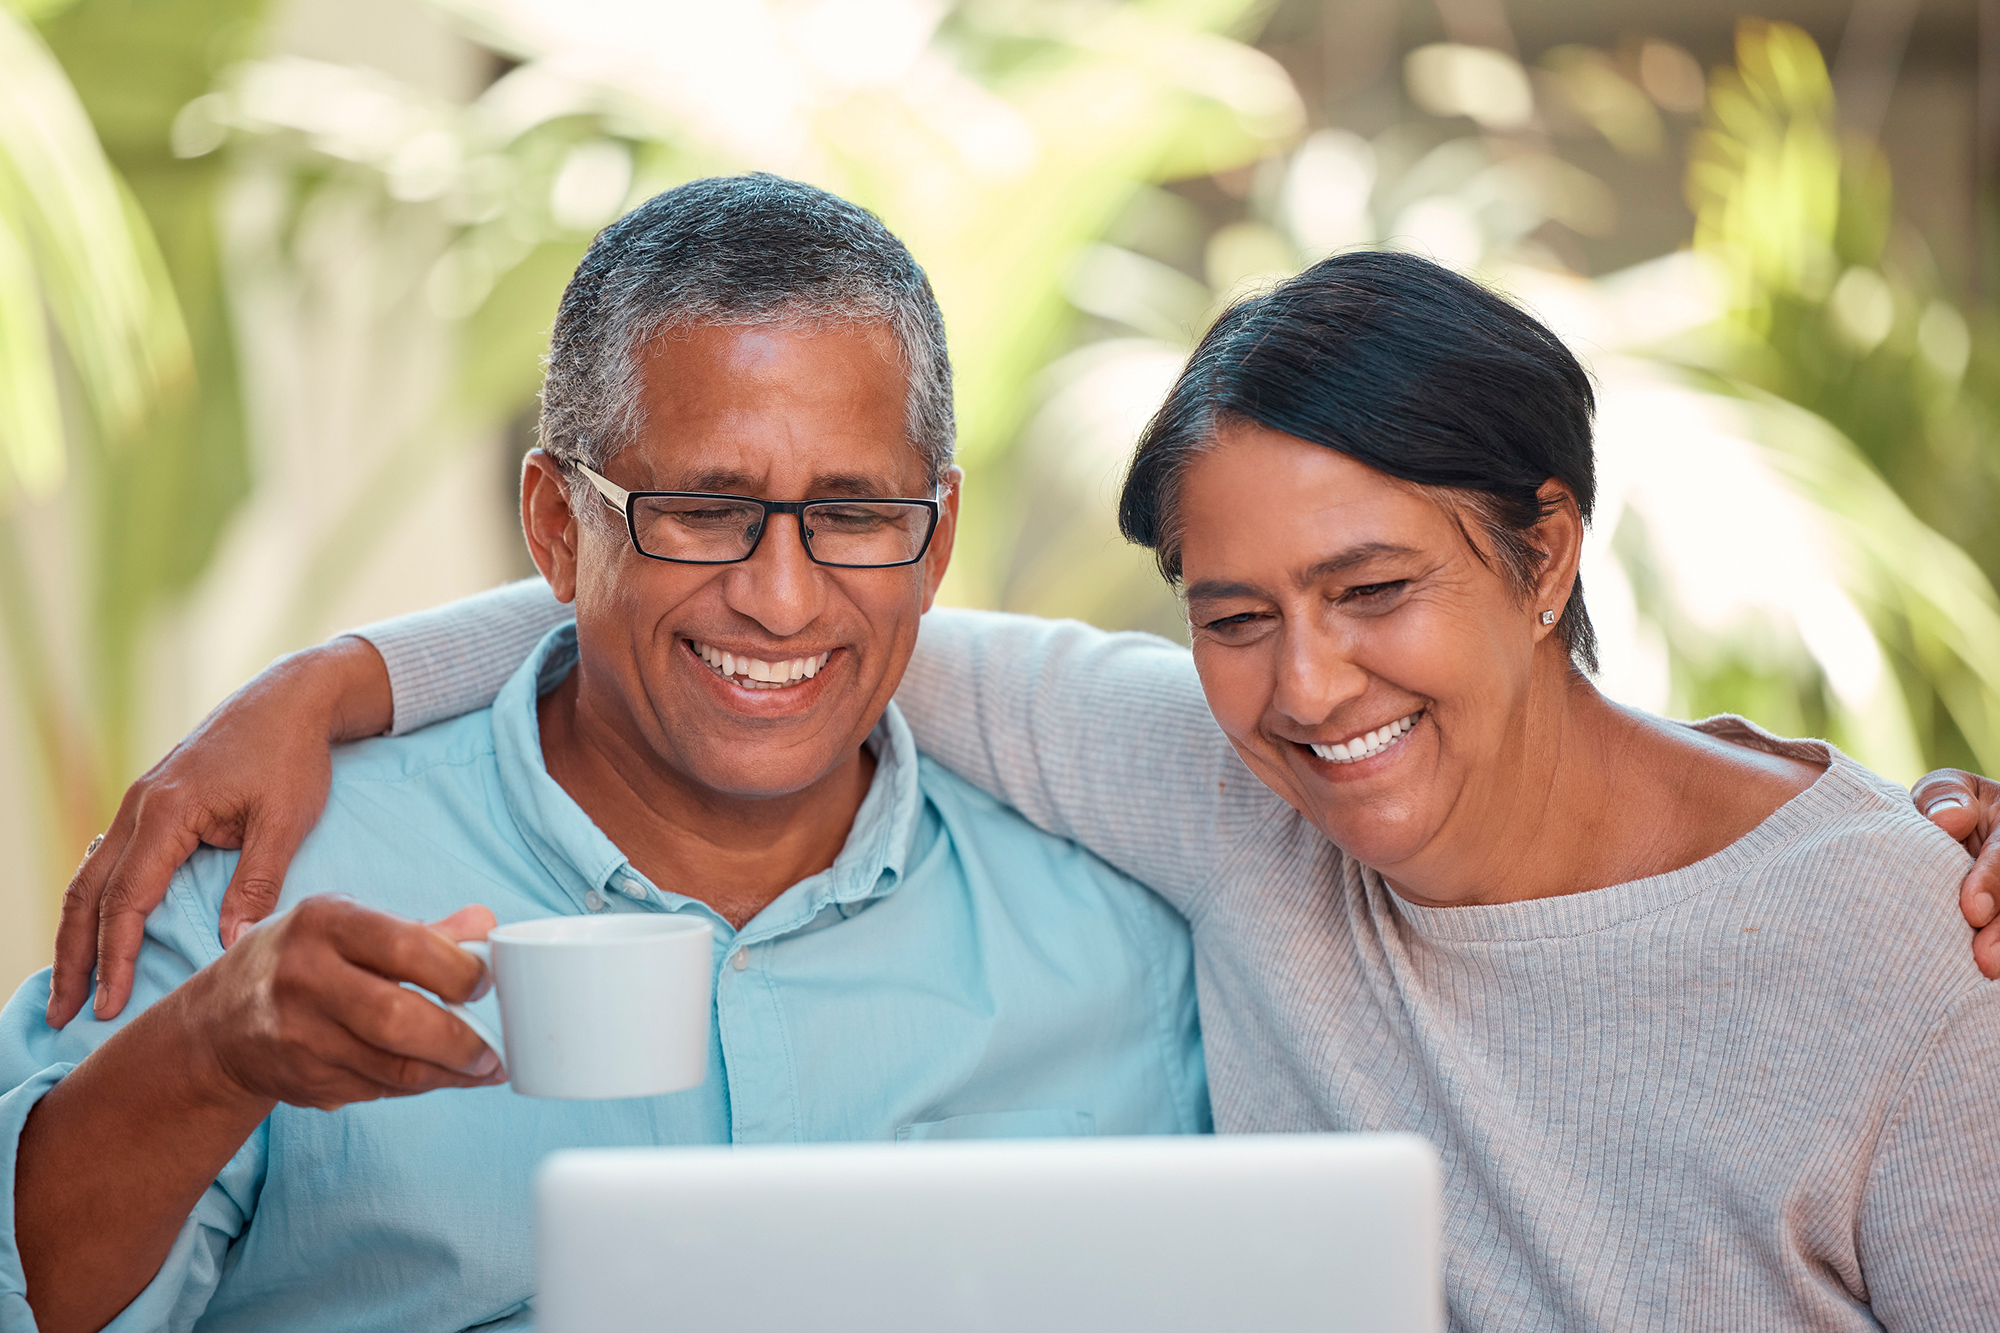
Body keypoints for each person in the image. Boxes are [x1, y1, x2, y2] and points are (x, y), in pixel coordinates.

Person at [56, 250, 2000, 1330]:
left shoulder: (1904, 946)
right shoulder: (1209, 774)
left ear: (1546, 552)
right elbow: (764, 637)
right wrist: (334, 685)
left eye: (1375, 590)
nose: (1311, 687)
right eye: (1237, 612)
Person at [0, 175, 1208, 1333]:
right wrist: (212, 1056)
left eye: (850, 516)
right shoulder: (256, 882)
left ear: (933, 545)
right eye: (701, 510)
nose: (780, 601)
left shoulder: (1114, 942)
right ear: (556, 528)